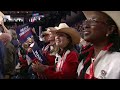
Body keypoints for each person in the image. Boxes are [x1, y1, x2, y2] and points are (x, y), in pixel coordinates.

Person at [77, 11, 120, 79]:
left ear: (110, 29)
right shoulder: (84, 60)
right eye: (86, 21)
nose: (85, 26)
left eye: (94, 20)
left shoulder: (117, 61)